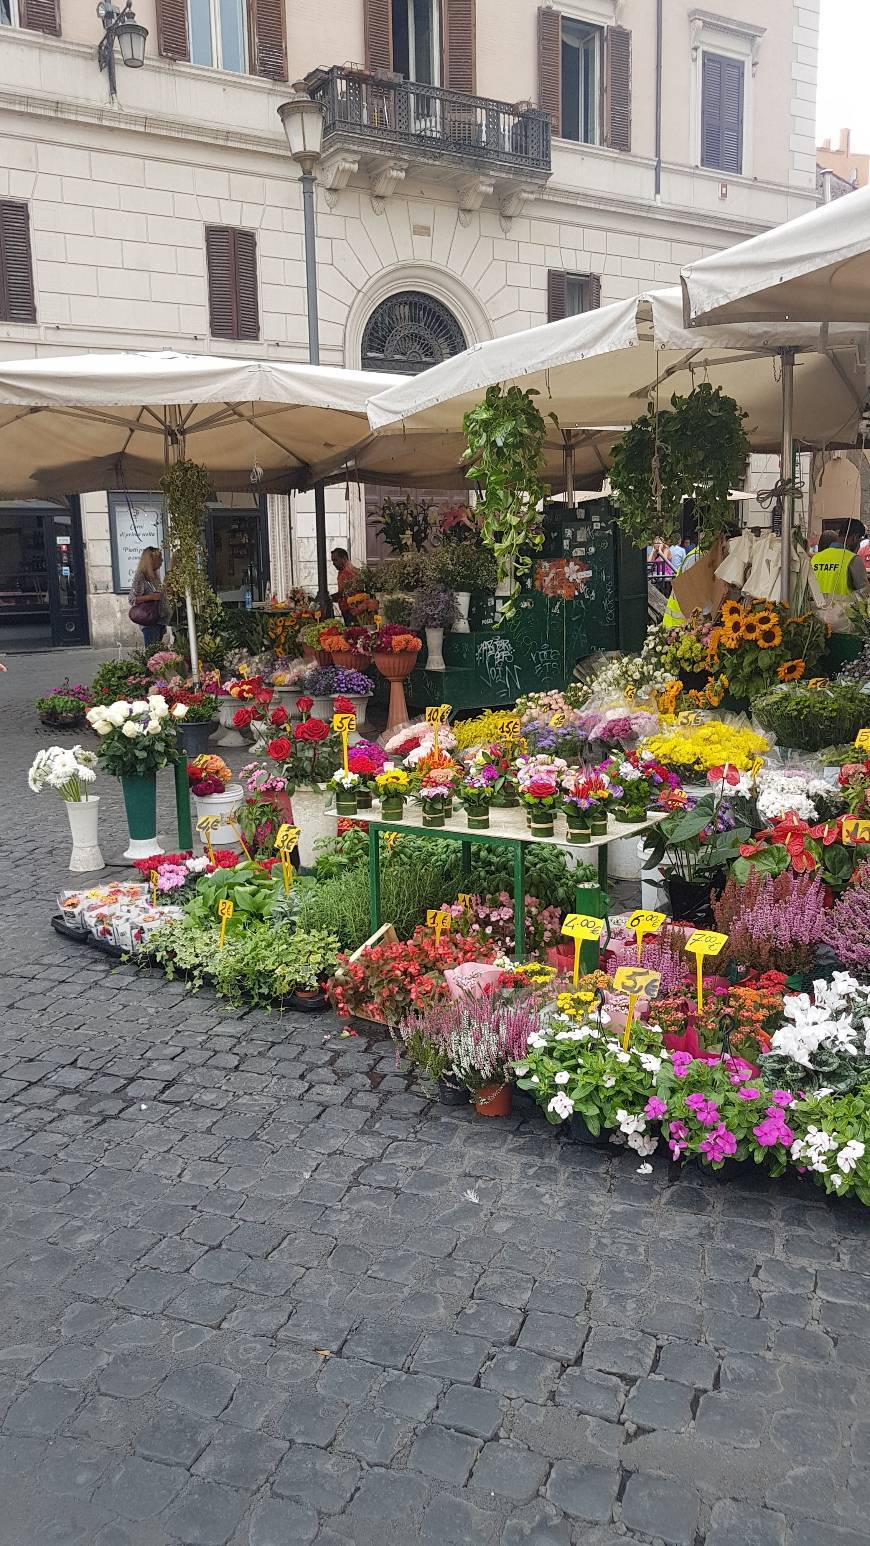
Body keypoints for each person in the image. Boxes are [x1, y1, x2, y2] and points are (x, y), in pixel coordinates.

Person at [811, 524, 870, 596]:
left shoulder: (815, 558)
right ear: (855, 538)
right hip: (843, 606)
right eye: (859, 540)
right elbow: (865, 594)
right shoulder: (853, 559)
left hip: (814, 606)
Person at [128, 547, 167, 646]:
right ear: (151, 560)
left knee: (157, 652)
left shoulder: (154, 576)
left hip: (158, 620)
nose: (162, 560)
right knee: (152, 652)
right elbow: (132, 599)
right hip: (149, 620)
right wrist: (152, 597)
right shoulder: (141, 576)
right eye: (159, 558)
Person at [330, 548, 361, 620]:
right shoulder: (345, 571)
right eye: (332, 561)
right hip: (349, 610)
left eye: (335, 560)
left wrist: (328, 598)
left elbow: (343, 593)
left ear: (343, 558)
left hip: (351, 611)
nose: (333, 563)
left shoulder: (348, 572)